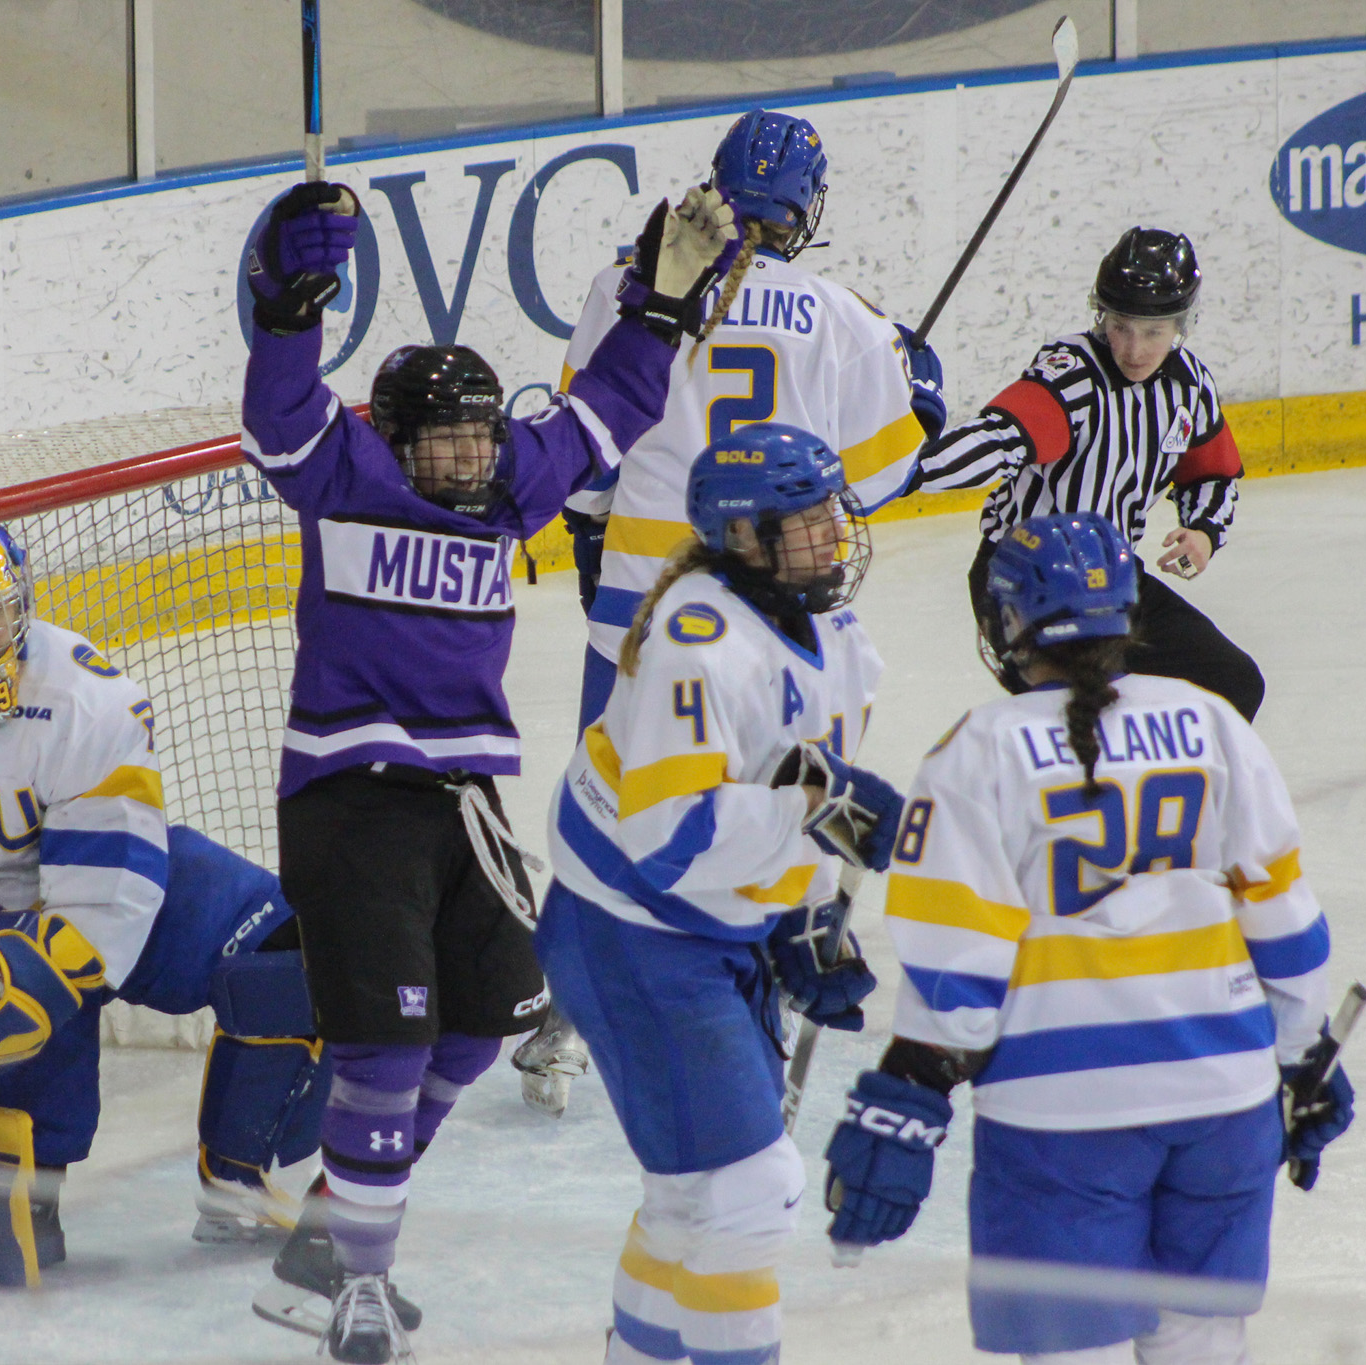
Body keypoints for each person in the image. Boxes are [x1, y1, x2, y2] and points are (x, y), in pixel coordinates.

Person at [238, 178, 732, 1361]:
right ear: (394, 439)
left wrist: (657, 307)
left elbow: (607, 409)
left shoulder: (509, 488)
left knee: (489, 1021)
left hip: (465, 808)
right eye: (445, 438)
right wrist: (287, 300)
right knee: (383, 1047)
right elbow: (278, 412)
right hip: (348, 798)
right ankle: (356, 1282)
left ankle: (329, 1227)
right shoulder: (342, 475)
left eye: (477, 433)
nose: (468, 454)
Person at [822, 513, 1354, 1364]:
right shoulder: (1211, 721)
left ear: (1008, 626)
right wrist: (1306, 1052)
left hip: (1061, 1114)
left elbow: (957, 966)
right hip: (1225, 1099)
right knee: (1204, 1345)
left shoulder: (980, 748)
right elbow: (1284, 913)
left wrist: (911, 1093)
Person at [518, 107, 946, 1114]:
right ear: (807, 207)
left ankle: (560, 1023)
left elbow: (584, 451)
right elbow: (875, 479)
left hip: (635, 582)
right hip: (760, 585)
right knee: (757, 783)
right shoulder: (836, 313)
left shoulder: (624, 283)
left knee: (610, 781)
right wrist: (916, 398)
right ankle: (752, 987)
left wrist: (586, 532)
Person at [0, 508, 332, 1286]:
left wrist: (49, 981)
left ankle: (239, 1176)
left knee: (289, 949)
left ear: (24, 598)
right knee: (0, 1257)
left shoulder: (83, 693)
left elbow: (109, 880)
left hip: (92, 909)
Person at [537, 425, 903, 1365]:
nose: (835, 531)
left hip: (705, 930)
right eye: (810, 517)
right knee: (750, 1196)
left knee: (692, 1200)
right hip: (632, 931)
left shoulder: (839, 637)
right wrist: (820, 813)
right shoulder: (696, 640)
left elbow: (802, 790)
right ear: (746, 538)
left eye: (833, 509)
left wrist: (808, 915)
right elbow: (673, 834)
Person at [905, 226, 1265, 720]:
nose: (1134, 349)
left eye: (1153, 331)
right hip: (1024, 582)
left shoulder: (1190, 385)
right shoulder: (1070, 373)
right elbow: (999, 437)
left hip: (1111, 580)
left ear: (1182, 324)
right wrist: (912, 468)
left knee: (1234, 682)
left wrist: (1203, 531)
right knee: (1078, 717)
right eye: (1120, 326)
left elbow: (1211, 474)